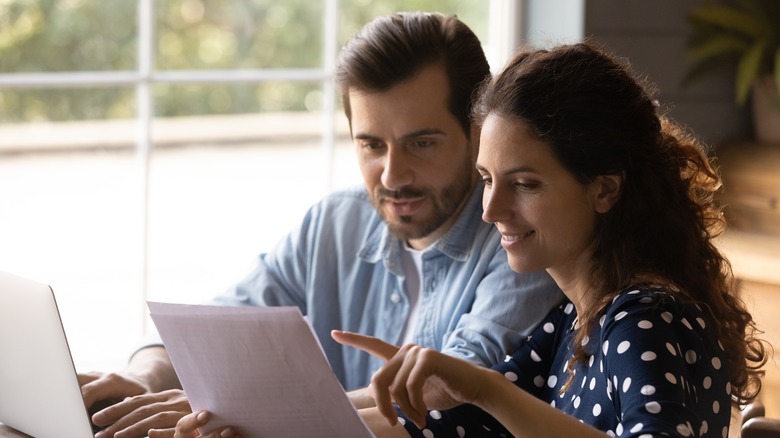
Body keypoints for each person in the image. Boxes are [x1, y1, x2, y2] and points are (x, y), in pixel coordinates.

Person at [172, 42, 769, 437]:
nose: (492, 209)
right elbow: (453, 422)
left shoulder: (647, 317)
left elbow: (483, 401)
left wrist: (478, 387)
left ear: (604, 189)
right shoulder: (576, 320)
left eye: (525, 184)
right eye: (486, 180)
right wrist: (240, 417)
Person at [77, 12, 563, 438]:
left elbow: (450, 389)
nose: (392, 175)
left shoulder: (519, 242)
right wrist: (143, 378)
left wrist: (248, 412)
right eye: (371, 145)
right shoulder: (335, 223)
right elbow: (219, 329)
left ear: (478, 132)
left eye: (422, 143)